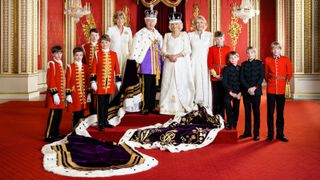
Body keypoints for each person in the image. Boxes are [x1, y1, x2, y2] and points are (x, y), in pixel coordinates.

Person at [159, 8, 195, 115]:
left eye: (177, 24)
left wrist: (176, 56)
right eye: (173, 25)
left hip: (181, 64)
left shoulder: (184, 35)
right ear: (170, 26)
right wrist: (169, 56)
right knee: (168, 84)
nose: (175, 27)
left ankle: (180, 107)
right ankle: (166, 108)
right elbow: (163, 50)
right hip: (169, 64)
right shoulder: (167, 35)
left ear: (180, 25)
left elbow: (188, 50)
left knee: (180, 83)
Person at [129, 5, 163, 115]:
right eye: (148, 21)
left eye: (152, 21)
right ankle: (145, 107)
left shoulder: (158, 34)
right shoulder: (140, 34)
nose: (150, 23)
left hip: (156, 65)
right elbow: (135, 49)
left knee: (154, 87)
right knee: (146, 87)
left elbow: (161, 49)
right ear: (145, 21)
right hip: (146, 65)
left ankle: (152, 106)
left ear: (155, 22)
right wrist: (136, 63)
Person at [90, 34, 121, 131]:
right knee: (100, 104)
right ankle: (100, 123)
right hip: (100, 84)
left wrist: (118, 82)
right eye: (102, 42)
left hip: (109, 84)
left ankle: (105, 121)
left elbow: (117, 68)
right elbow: (93, 69)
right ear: (100, 43)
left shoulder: (114, 54)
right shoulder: (97, 54)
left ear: (109, 43)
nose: (104, 44)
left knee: (107, 103)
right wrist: (93, 81)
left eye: (106, 42)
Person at [264, 41, 292, 142]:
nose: (275, 50)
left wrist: (284, 82)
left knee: (280, 113)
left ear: (280, 49)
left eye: (277, 48)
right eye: (273, 48)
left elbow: (289, 74)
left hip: (281, 90)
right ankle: (270, 135)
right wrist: (271, 81)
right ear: (272, 50)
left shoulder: (286, 60)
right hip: (271, 89)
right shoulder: (267, 59)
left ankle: (280, 134)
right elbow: (266, 74)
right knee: (270, 113)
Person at [239, 47, 264, 141]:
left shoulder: (259, 63)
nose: (250, 55)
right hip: (246, 92)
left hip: (256, 92)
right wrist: (248, 88)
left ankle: (256, 133)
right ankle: (247, 132)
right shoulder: (243, 64)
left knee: (256, 112)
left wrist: (254, 88)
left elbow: (261, 77)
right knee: (247, 112)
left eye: (252, 53)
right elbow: (242, 78)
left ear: (255, 54)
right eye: (248, 53)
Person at [188, 15, 213, 109]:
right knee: (194, 82)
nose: (199, 24)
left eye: (201, 22)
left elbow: (211, 51)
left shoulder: (209, 35)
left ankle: (205, 104)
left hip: (205, 62)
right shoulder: (190, 35)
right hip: (193, 62)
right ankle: (193, 105)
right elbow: (187, 50)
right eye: (197, 22)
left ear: (205, 24)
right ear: (195, 24)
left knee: (204, 82)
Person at [207, 31, 231, 119]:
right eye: (217, 39)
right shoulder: (211, 49)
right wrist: (215, 75)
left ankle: (222, 117)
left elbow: (229, 62)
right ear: (215, 40)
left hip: (225, 77)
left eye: (220, 39)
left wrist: (225, 75)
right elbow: (209, 63)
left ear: (224, 39)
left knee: (223, 97)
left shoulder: (228, 48)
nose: (219, 41)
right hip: (215, 77)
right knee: (216, 97)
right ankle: (215, 117)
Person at [44, 45, 65, 142]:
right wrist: (55, 93)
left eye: (60, 53)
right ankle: (48, 135)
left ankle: (55, 132)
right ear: (52, 54)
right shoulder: (52, 64)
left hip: (60, 94)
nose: (59, 55)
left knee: (58, 114)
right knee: (53, 115)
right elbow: (50, 79)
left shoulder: (60, 63)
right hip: (54, 95)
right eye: (56, 53)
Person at [65, 47, 90, 128]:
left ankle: (80, 128)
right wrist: (68, 94)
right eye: (77, 55)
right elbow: (67, 81)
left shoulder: (86, 67)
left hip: (83, 94)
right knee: (76, 111)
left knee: (82, 112)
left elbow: (88, 81)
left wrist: (89, 93)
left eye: (80, 55)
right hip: (74, 94)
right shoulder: (70, 67)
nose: (79, 57)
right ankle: (74, 129)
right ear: (74, 56)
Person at [82, 28, 102, 115]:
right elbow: (83, 62)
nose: (94, 37)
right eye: (92, 35)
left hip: (99, 74)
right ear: (89, 36)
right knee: (89, 94)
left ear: (99, 36)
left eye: (96, 35)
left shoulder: (102, 46)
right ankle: (91, 112)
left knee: (98, 93)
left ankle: (98, 111)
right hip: (89, 74)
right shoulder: (85, 47)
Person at [222, 51, 241, 130]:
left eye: (235, 57)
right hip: (229, 91)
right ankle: (229, 122)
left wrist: (240, 93)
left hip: (238, 91)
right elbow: (224, 82)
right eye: (231, 58)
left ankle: (234, 123)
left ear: (238, 58)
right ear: (229, 59)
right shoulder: (226, 68)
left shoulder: (240, 68)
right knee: (227, 103)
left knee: (236, 109)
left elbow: (242, 81)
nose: (233, 59)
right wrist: (230, 92)